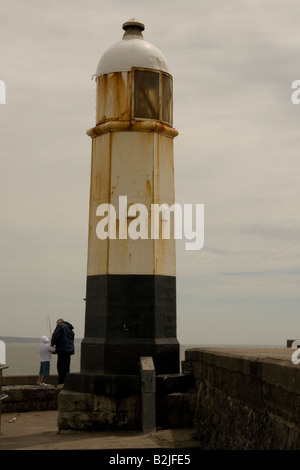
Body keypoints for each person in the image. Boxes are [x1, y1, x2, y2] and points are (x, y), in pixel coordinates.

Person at [51, 319, 75, 384]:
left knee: (60, 367)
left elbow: (55, 336)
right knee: (66, 367)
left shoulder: (60, 326)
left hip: (62, 350)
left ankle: (61, 382)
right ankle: (66, 382)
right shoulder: (70, 329)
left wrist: (52, 344)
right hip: (69, 350)